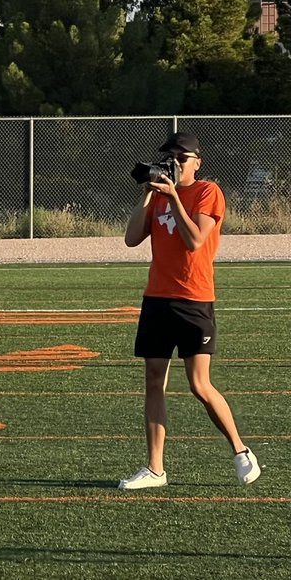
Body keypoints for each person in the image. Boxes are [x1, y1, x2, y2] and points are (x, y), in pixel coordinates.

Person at [119, 132, 260, 489]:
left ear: (197, 162)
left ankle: (241, 450)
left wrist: (173, 199)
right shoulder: (158, 196)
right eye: (170, 158)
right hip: (157, 297)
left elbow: (195, 239)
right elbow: (131, 238)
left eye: (181, 159)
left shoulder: (207, 191)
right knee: (154, 381)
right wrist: (149, 192)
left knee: (199, 384)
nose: (175, 164)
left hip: (194, 298)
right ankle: (155, 469)